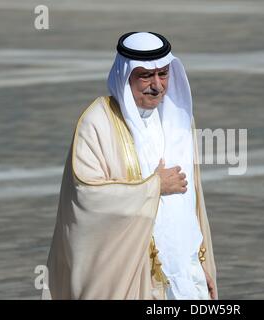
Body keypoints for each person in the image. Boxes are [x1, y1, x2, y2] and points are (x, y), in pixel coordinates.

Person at [42, 32, 217, 300]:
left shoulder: (178, 118)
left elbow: (188, 203)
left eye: (163, 73)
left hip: (184, 275)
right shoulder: (97, 124)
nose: (157, 85)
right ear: (126, 76)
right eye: (146, 75)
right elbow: (88, 199)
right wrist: (154, 187)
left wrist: (194, 264)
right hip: (133, 275)